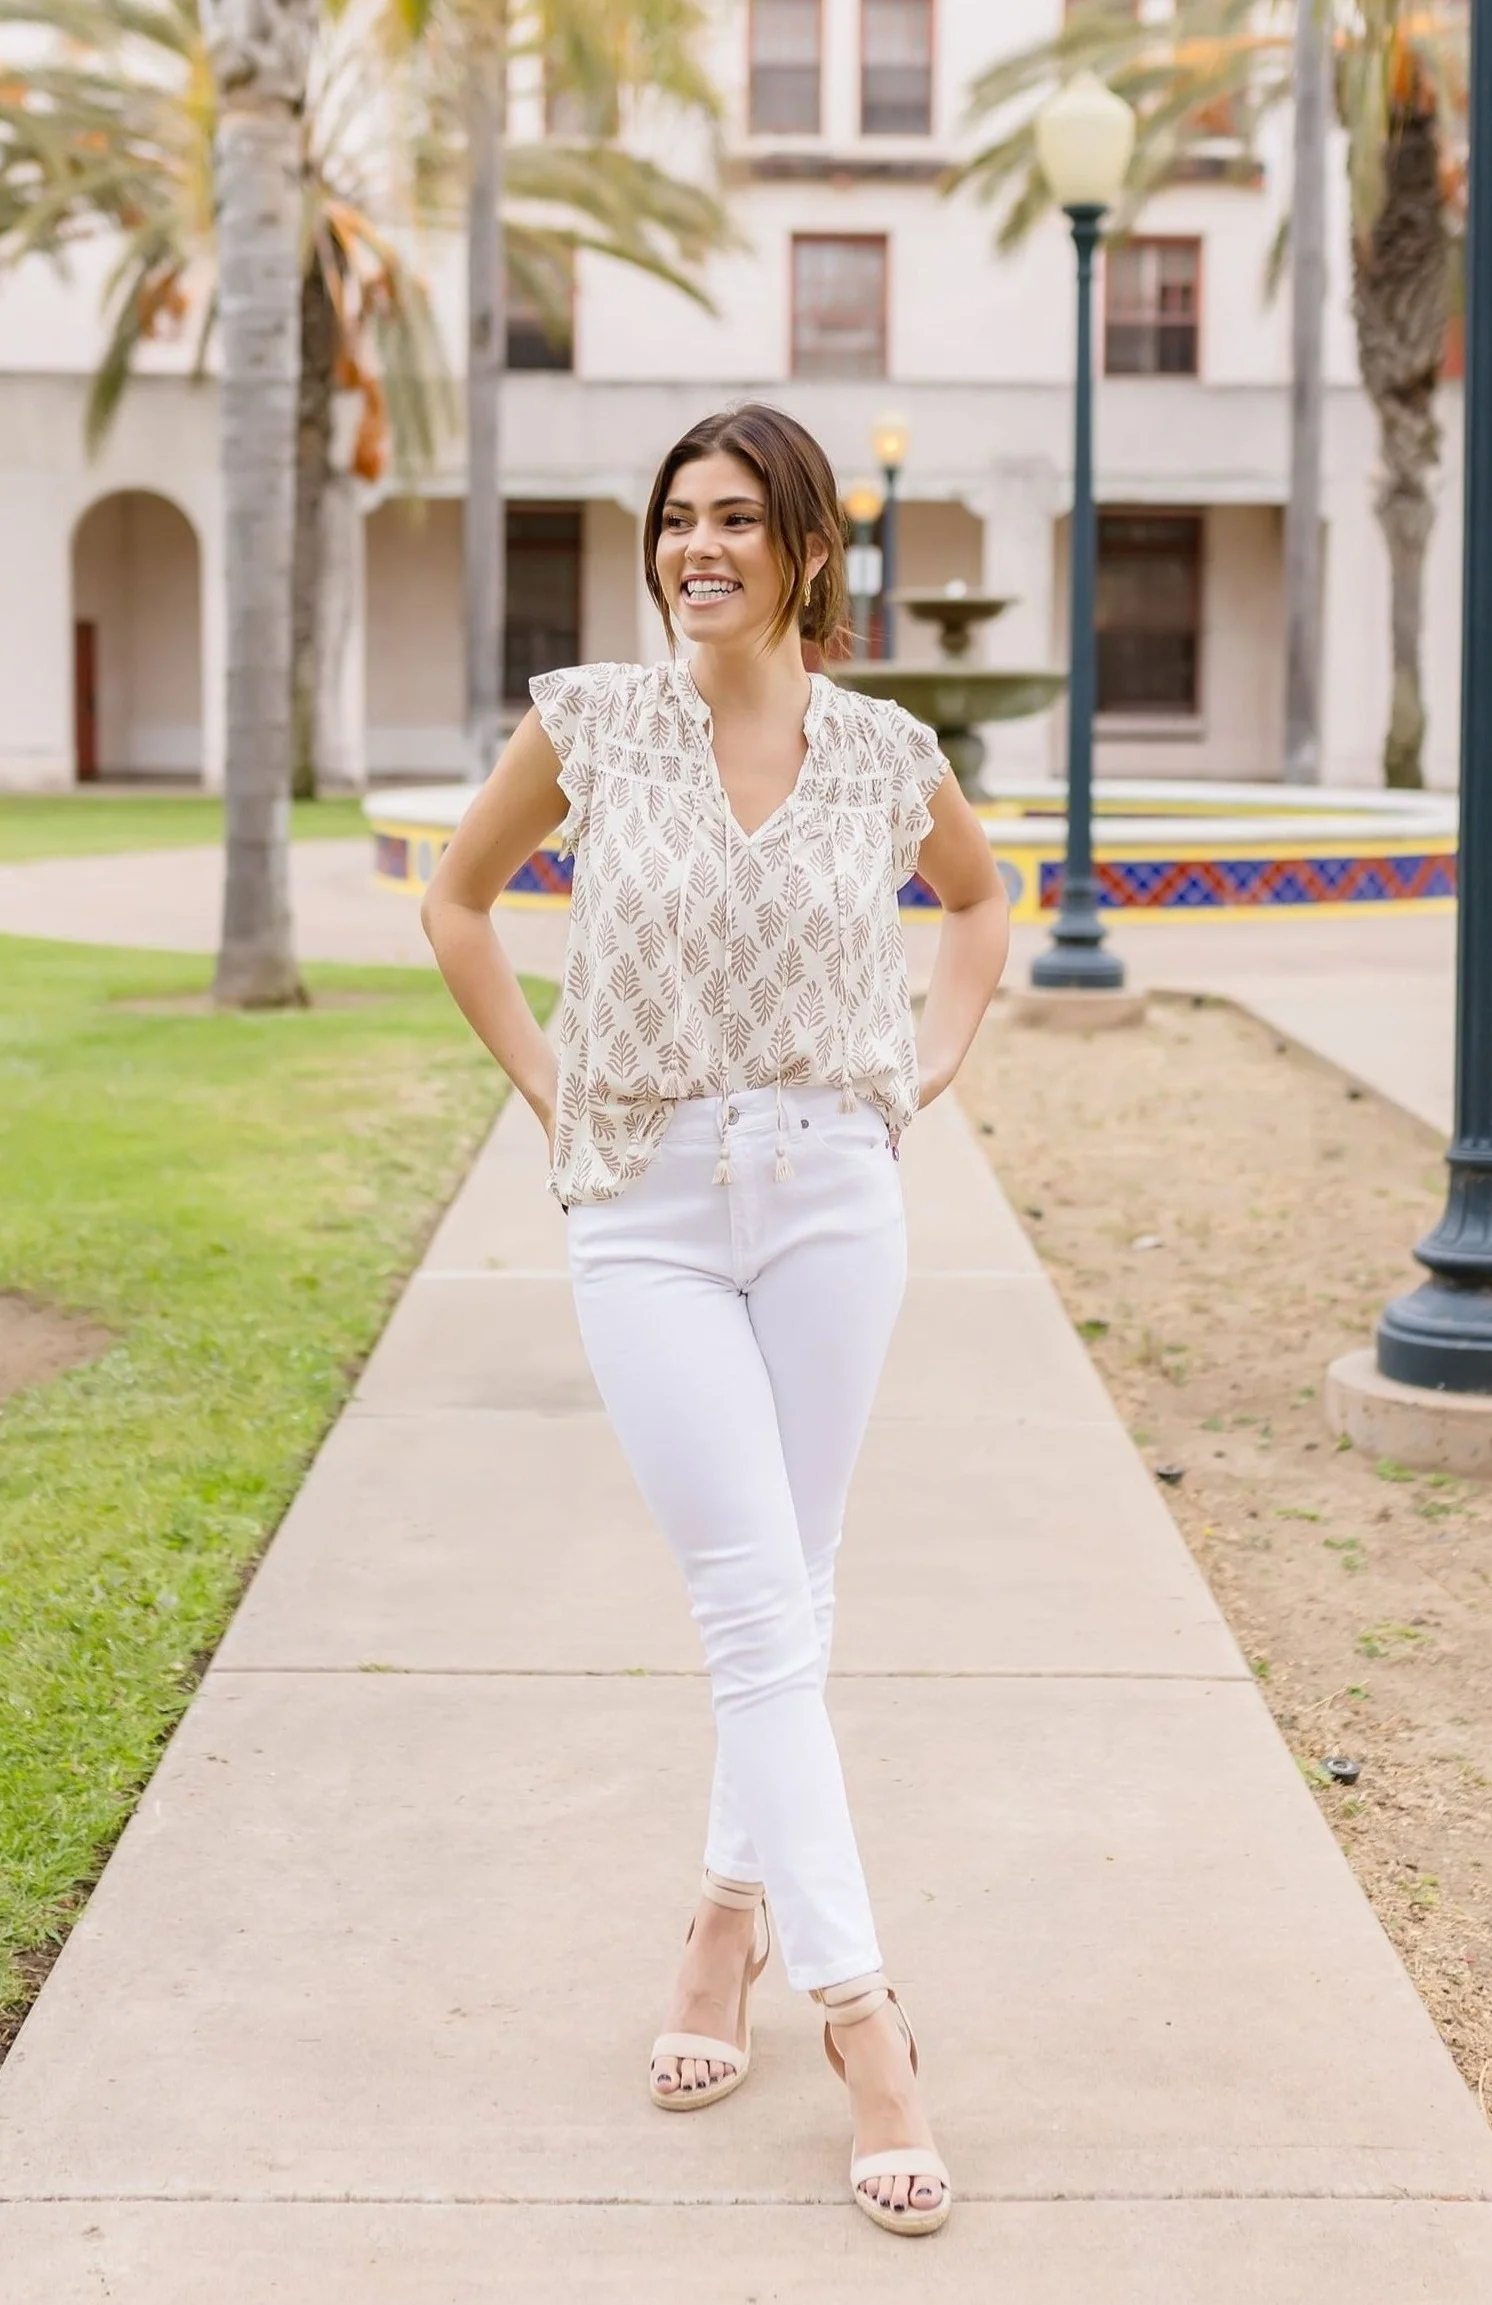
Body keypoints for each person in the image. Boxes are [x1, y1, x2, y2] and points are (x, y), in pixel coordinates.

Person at [422, 403, 1008, 2238]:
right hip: (649, 1211)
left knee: (794, 1589)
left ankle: (724, 1922)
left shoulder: (885, 752)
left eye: (739, 518)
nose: (699, 546)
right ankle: (867, 2025)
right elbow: (457, 903)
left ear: (807, 548)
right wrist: (552, 1091)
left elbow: (981, 904)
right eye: (679, 516)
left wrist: (925, 1066)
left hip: (834, 1196)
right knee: (755, 1606)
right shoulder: (593, 722)